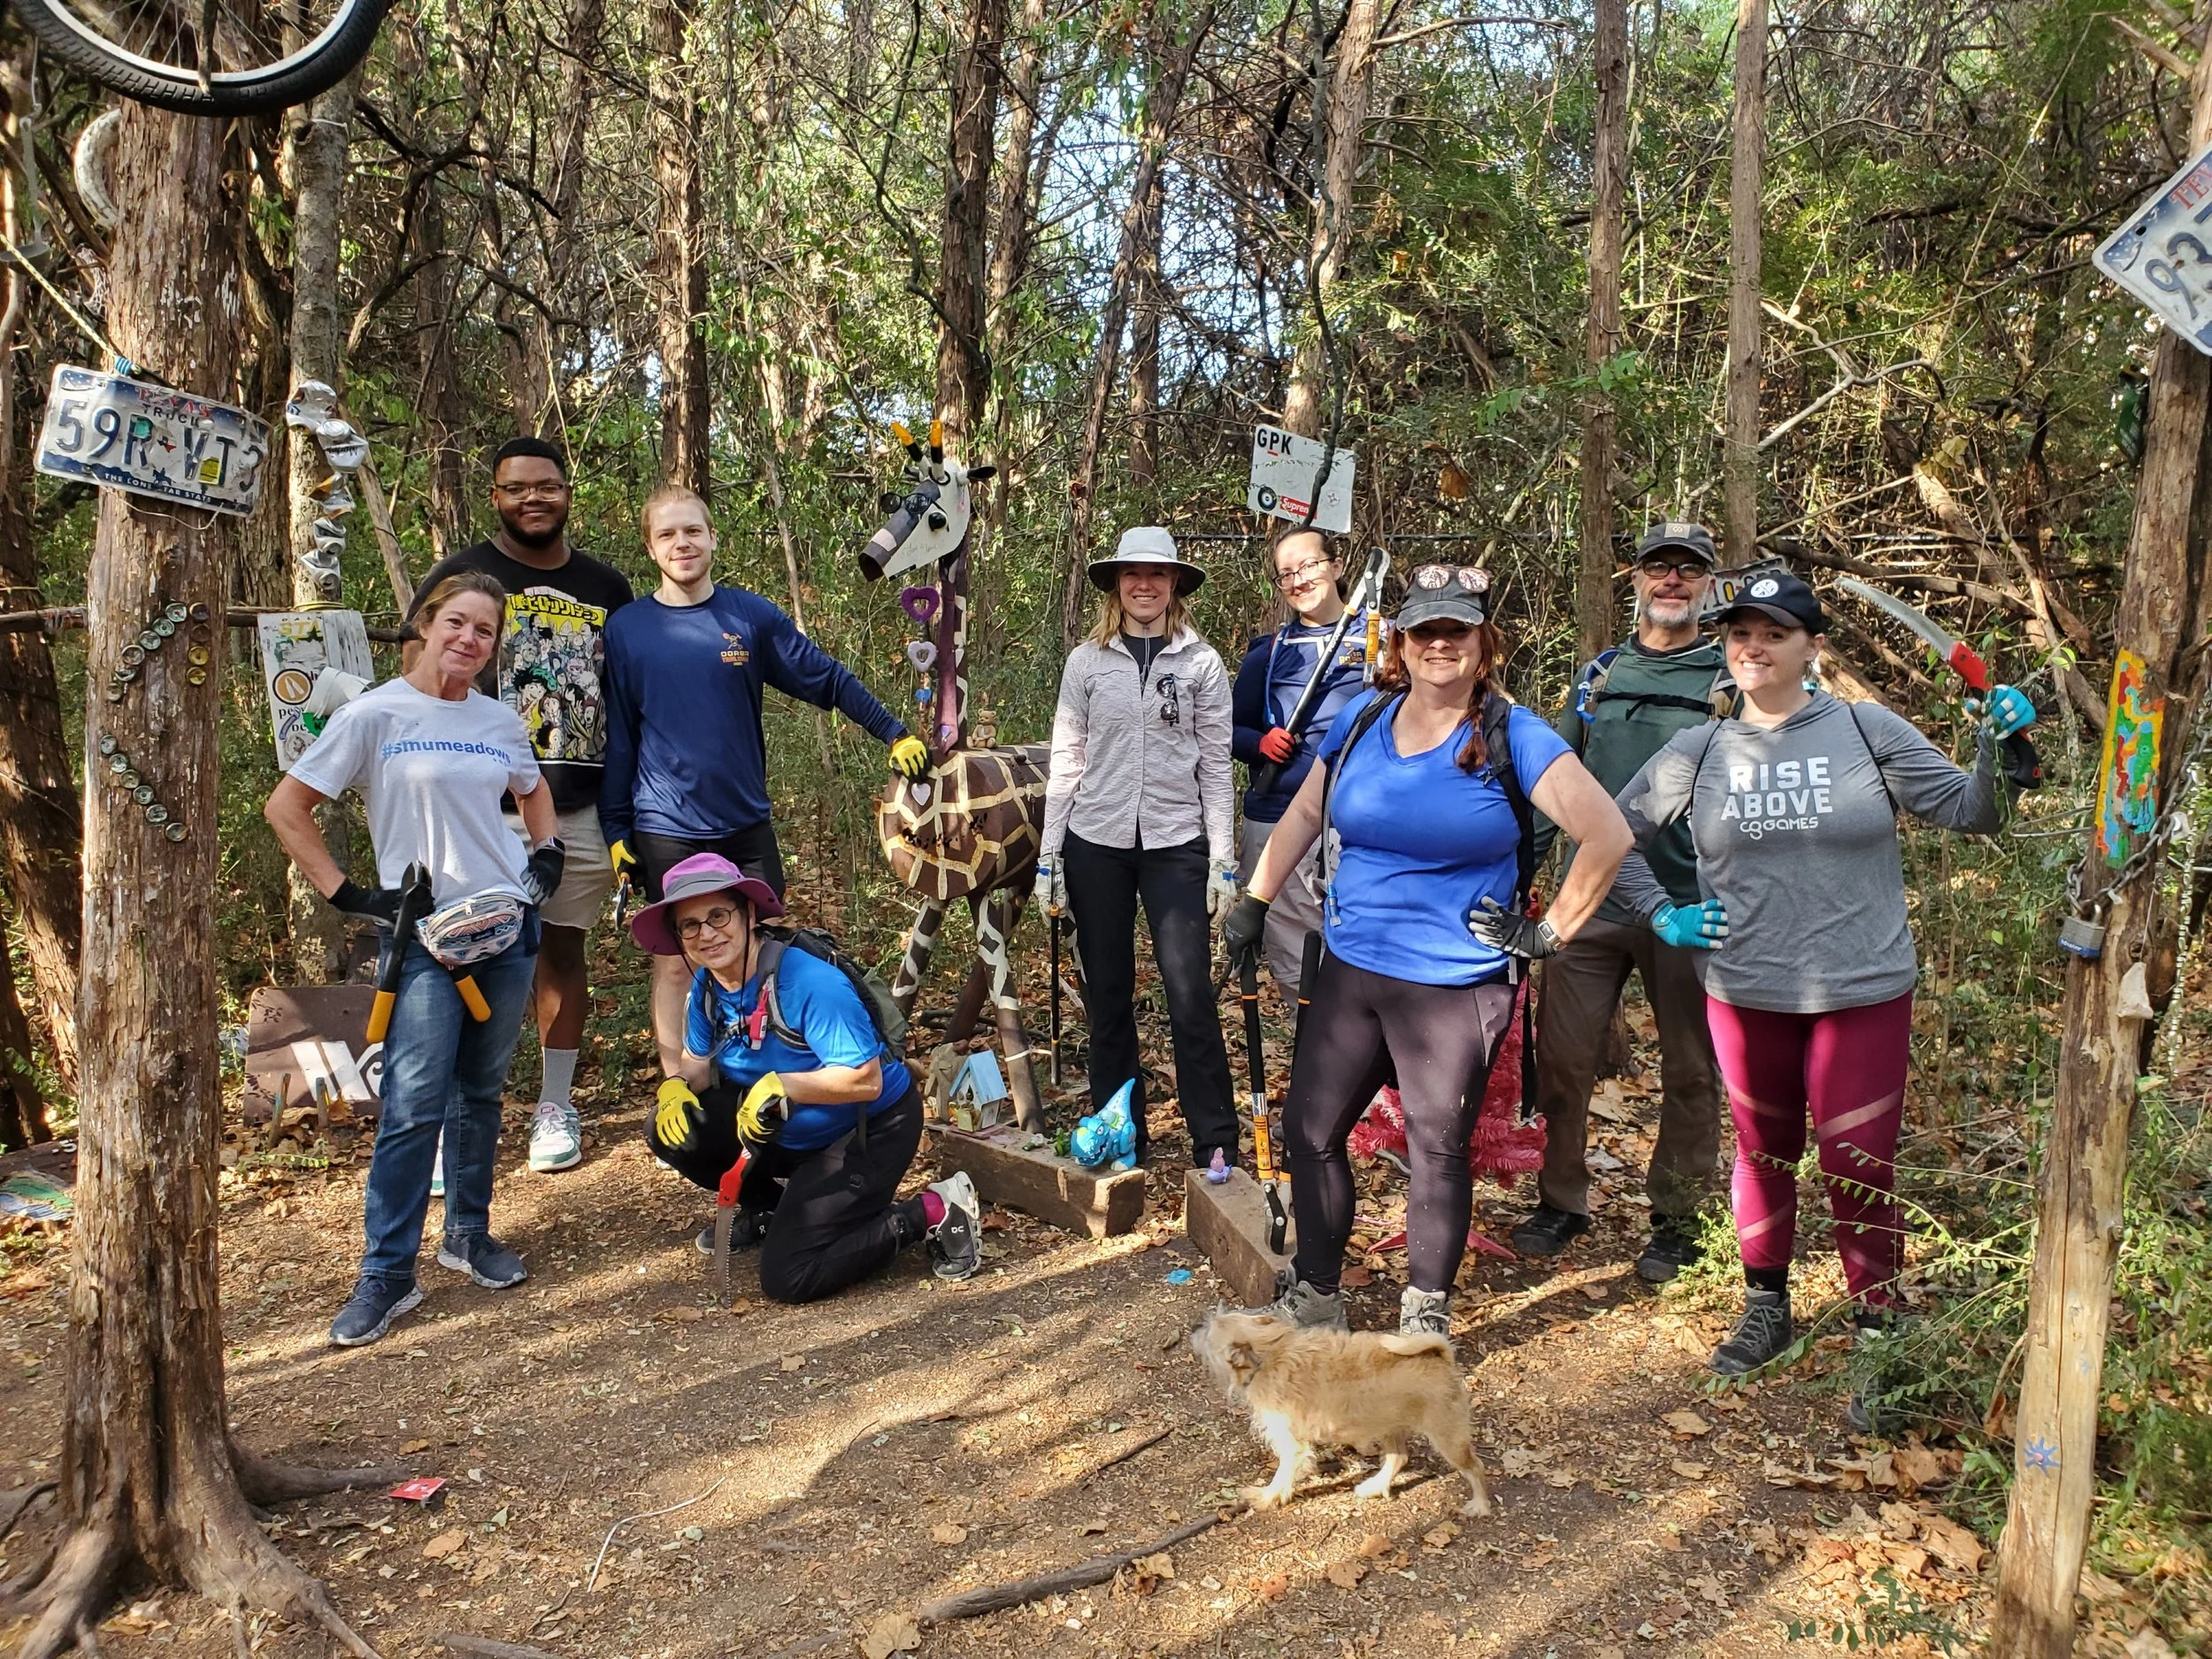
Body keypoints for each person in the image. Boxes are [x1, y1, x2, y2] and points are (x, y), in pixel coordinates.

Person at [1607, 570, 2035, 1392]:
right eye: (1739, 633)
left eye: (1773, 632)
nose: (1752, 646)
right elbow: (1609, 834)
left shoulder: (1867, 731)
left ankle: (1879, 1323)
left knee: (1858, 1158)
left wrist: (2000, 746)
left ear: (1813, 644)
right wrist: (1664, 915)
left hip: (1864, 986)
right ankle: (1766, 1303)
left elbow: (1971, 811)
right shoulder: (1697, 751)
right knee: (1764, 1150)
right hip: (1746, 987)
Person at [1222, 565, 1634, 1337]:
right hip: (1352, 967)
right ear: (1401, 643)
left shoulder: (1515, 734)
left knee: (1436, 1148)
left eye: (1457, 630)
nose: (1440, 644)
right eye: (1424, 630)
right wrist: (1254, 900)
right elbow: (1307, 811)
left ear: (1484, 644)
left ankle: (1424, 1317)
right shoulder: (1362, 720)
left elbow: (1606, 833)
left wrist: (1549, 933)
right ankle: (1317, 1295)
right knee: (1309, 1134)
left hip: (1455, 982)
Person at [267, 571, 565, 1347]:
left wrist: (549, 854)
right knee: (413, 1101)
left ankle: (468, 1232)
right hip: (426, 937)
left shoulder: (500, 720)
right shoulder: (376, 714)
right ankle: (387, 1273)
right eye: (457, 623)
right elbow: (288, 807)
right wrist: (350, 895)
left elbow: (533, 794)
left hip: (505, 928)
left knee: (483, 1090)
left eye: (485, 631)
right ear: (425, 627)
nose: (470, 639)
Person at [601, 484, 931, 1071]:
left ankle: (767, 1072)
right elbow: (622, 734)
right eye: (668, 533)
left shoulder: (747, 616)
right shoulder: (628, 629)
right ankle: (684, 1084)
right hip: (667, 825)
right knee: (679, 960)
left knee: (762, 950)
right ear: (651, 548)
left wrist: (894, 731)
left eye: (693, 530)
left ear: (712, 538)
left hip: (744, 822)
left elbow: (825, 679)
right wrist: (615, 828)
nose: (683, 543)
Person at [404, 437, 634, 1177]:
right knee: (465, 956)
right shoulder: (461, 577)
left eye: (547, 486)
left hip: (577, 803)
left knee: (561, 949)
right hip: (478, 810)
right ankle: (452, 1123)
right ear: (495, 496)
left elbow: (630, 690)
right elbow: (418, 677)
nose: (533, 498)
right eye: (516, 488)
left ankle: (553, 1106)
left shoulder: (607, 586)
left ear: (569, 493)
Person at [1514, 522, 1734, 1282]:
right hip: (1593, 899)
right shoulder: (1599, 675)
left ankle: (1678, 1217)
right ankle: (1562, 1198)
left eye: (1688, 570)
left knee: (1691, 1068)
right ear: (1634, 579)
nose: (1671, 580)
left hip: (1694, 903)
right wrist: (1524, 868)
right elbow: (1554, 777)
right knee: (1565, 1057)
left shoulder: (1728, 678)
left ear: (1708, 584)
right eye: (1657, 568)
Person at [634, 854, 981, 1300]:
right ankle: (769, 1211)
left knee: (789, 1277)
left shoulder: (807, 983)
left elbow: (866, 1080)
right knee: (670, 1131)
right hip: (784, 1128)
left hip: (866, 1130)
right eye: (690, 925)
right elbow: (697, 1063)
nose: (707, 933)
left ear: (750, 914)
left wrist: (786, 1083)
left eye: (718, 915)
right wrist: (676, 1086)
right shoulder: (707, 987)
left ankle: (933, 1209)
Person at [1034, 526, 1239, 1167]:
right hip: (1097, 842)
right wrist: (1050, 855)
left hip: (1177, 842)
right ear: (1116, 585)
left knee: (1189, 992)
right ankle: (1119, 1128)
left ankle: (1215, 1138)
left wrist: (1224, 858)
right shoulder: (1086, 662)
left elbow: (1215, 765)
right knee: (1109, 995)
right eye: (1132, 574)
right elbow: (1066, 761)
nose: (1144, 585)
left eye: (1157, 574)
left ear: (1175, 583)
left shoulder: (1200, 662)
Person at [1230, 526, 1373, 996]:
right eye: (1286, 573)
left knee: (1361, 955)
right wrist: (1259, 744)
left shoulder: (1384, 644)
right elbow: (1228, 731)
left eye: (1308, 565)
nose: (1299, 580)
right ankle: (1307, 1051)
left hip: (1360, 820)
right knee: (1295, 960)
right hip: (1277, 817)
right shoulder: (1267, 655)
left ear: (1336, 566)